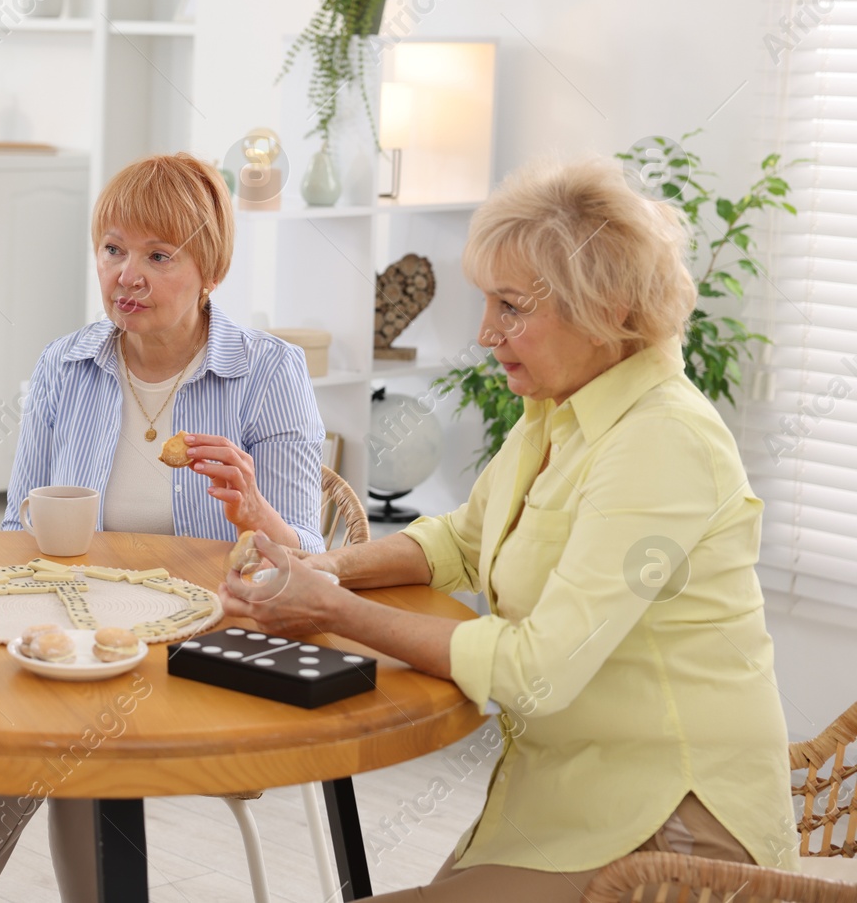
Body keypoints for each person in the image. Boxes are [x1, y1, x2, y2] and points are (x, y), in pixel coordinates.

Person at [222, 158, 800, 901]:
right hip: (563, 795)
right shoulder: (558, 409)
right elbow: (460, 540)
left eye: (511, 306)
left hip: (673, 824)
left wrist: (331, 608)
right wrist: (326, 571)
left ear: (608, 307)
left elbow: (538, 670)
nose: (487, 332)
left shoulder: (662, 440)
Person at [0, 153, 328, 903]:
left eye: (159, 256)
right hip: (88, 629)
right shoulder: (67, 366)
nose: (127, 274)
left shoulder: (269, 373)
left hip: (210, 639)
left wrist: (256, 512)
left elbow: (313, 567)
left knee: (63, 713)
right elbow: (15, 526)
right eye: (113, 249)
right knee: (61, 701)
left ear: (210, 270)